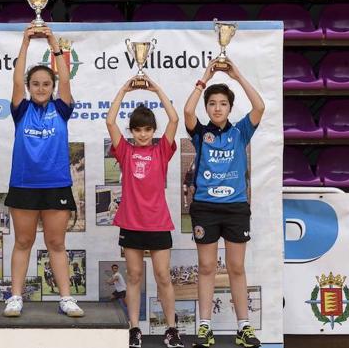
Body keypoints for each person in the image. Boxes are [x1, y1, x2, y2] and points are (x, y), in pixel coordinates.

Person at [3, 25, 83, 318]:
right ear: (28, 87)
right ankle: (15, 297)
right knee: (23, 241)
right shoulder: (20, 109)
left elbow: (65, 81)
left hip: (56, 185)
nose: (40, 88)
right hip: (24, 185)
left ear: (52, 86)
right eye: (34, 83)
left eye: (45, 84)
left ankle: (65, 298)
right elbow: (16, 78)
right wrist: (25, 43)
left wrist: (54, 44)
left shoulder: (62, 109)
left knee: (56, 243)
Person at [183, 58, 265, 348]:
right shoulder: (200, 134)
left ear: (230, 107)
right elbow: (187, 111)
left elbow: (259, 107)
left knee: (236, 268)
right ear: (208, 108)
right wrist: (204, 77)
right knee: (206, 267)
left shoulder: (240, 131)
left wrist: (237, 75)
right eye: (213, 104)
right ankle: (204, 328)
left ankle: (244, 328)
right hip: (205, 207)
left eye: (223, 104)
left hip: (235, 208)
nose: (217, 108)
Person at [106, 75, 182, 348]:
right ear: (132, 131)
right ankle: (134, 328)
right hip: (131, 223)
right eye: (138, 129)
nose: (142, 134)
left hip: (158, 223)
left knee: (163, 276)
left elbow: (174, 120)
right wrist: (124, 89)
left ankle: (172, 329)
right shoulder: (124, 151)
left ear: (153, 131)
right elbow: (110, 121)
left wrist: (157, 89)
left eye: (147, 129)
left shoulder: (162, 150)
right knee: (134, 276)